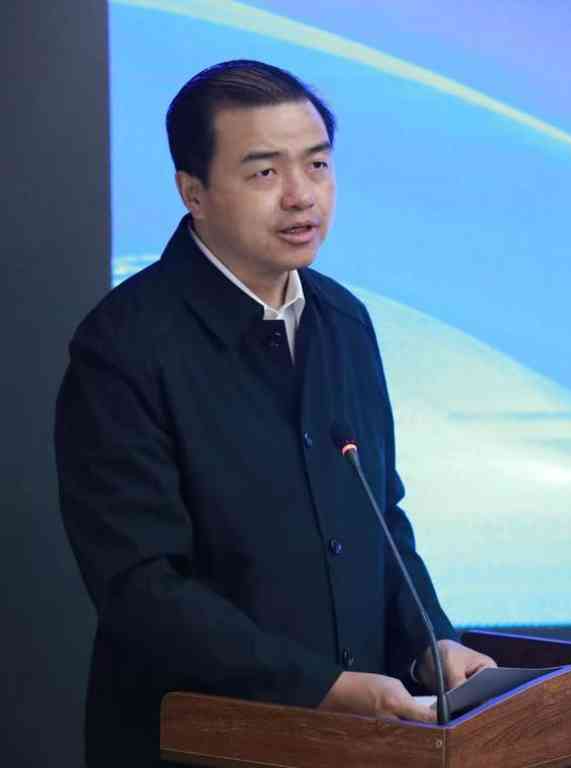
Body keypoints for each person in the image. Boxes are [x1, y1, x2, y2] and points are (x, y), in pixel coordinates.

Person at [55, 60, 495, 767]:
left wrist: (429, 644)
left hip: (359, 748)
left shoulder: (344, 321)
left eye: (317, 165)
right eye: (265, 172)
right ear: (192, 192)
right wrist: (319, 690)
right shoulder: (124, 345)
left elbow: (380, 519)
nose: (301, 196)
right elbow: (141, 588)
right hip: (198, 748)